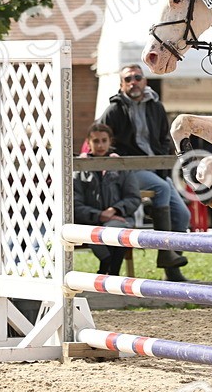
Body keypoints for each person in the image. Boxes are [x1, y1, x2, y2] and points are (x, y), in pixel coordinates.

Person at [97, 65, 192, 282]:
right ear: (122, 85)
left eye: (137, 77)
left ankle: (172, 271)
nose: (133, 82)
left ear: (145, 81)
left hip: (156, 168)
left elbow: (165, 139)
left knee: (183, 215)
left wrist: (162, 161)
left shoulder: (156, 106)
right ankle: (165, 254)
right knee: (160, 188)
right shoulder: (113, 110)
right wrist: (113, 157)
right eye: (128, 79)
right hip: (129, 171)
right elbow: (99, 139)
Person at [73, 123, 141, 277]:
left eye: (104, 140)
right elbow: (75, 203)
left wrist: (114, 210)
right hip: (89, 220)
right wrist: (98, 215)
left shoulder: (120, 166)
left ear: (111, 141)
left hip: (118, 217)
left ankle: (111, 272)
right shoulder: (79, 168)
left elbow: (133, 197)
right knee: (97, 231)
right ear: (88, 143)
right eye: (96, 141)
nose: (100, 145)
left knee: (117, 229)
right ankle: (106, 267)